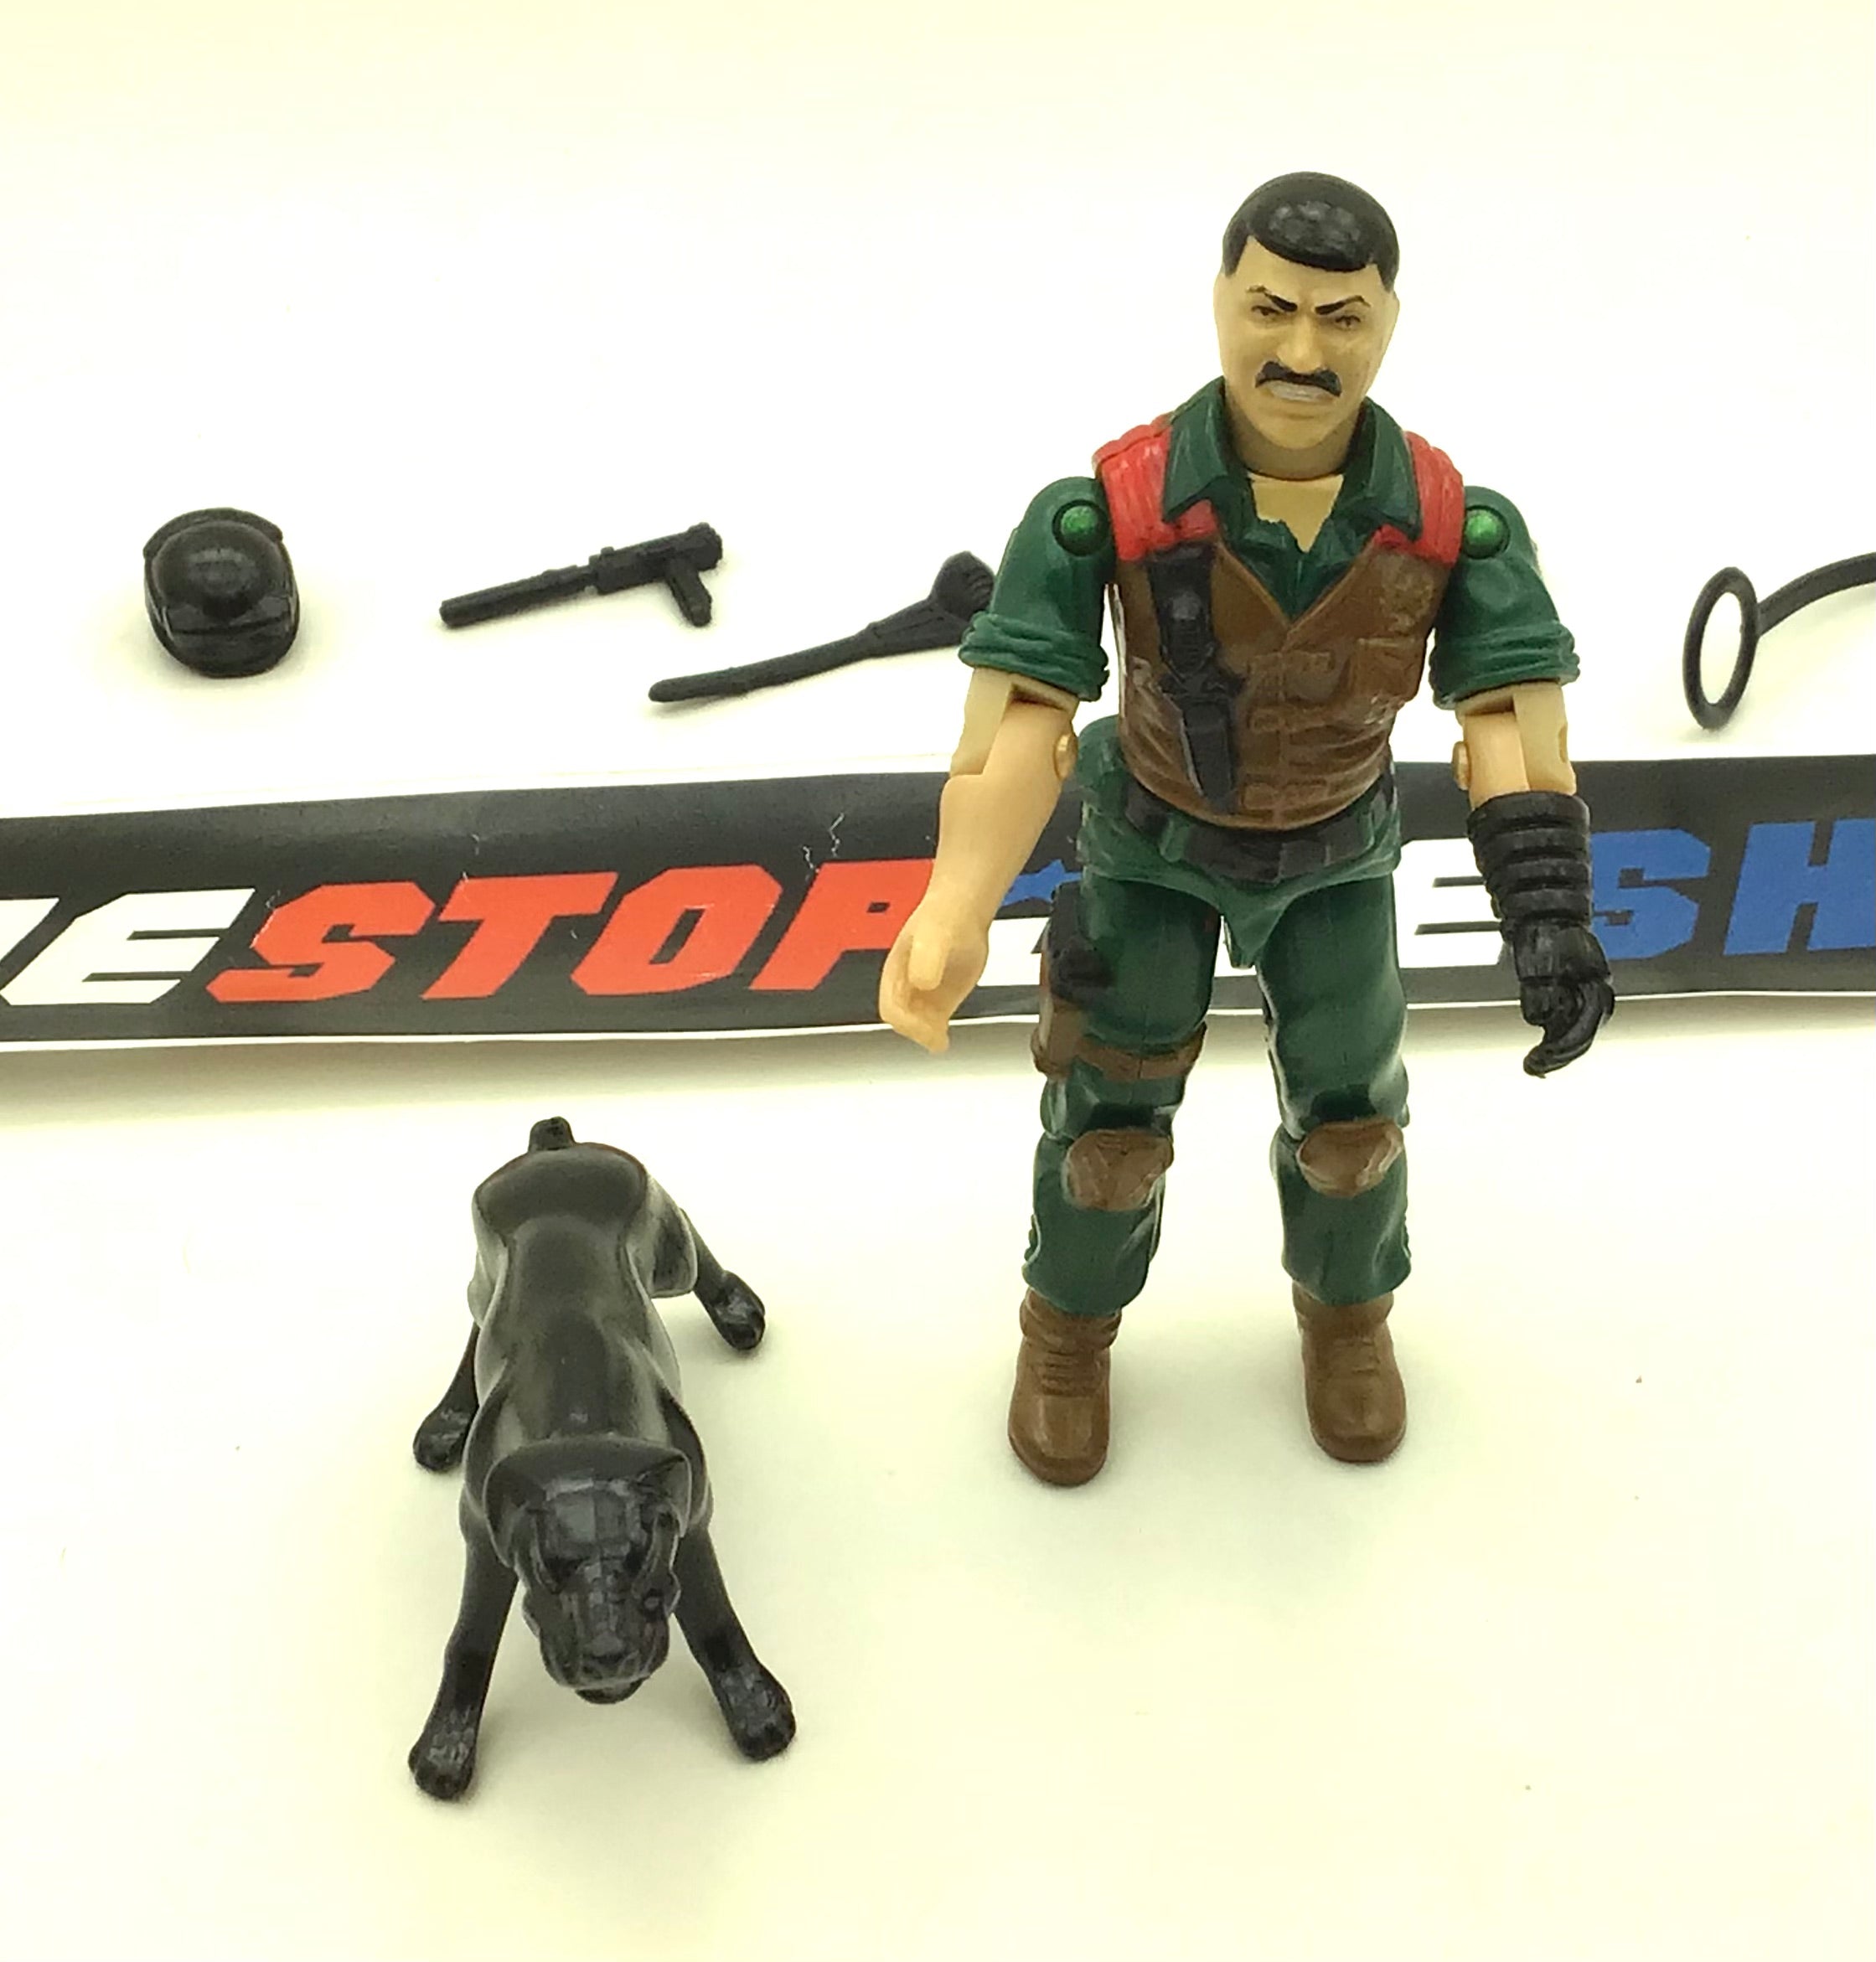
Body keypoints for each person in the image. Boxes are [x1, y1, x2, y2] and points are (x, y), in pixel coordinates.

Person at [879, 173, 1613, 1486]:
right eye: (1272, 309)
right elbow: (1024, 722)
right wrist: (955, 903)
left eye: (1343, 317)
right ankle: (1067, 1334)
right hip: (1151, 846)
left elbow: (1509, 724)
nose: (1303, 352)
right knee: (1107, 1135)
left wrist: (1550, 916)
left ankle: (1348, 1319)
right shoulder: (1104, 510)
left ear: (1389, 323)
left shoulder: (1452, 525)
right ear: (1221, 301)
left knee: (1354, 1130)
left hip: (1336, 855)